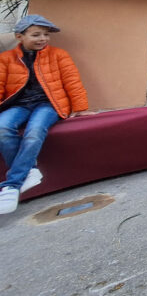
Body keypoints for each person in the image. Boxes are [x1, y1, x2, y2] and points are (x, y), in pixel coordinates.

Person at [0, 15, 89, 214]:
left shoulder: (59, 55)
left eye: (46, 35)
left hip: (49, 104)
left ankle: (12, 184)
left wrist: (79, 107)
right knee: (2, 127)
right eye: (36, 35)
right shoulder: (5, 59)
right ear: (19, 36)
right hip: (18, 105)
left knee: (35, 130)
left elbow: (72, 81)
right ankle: (30, 170)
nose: (42, 39)